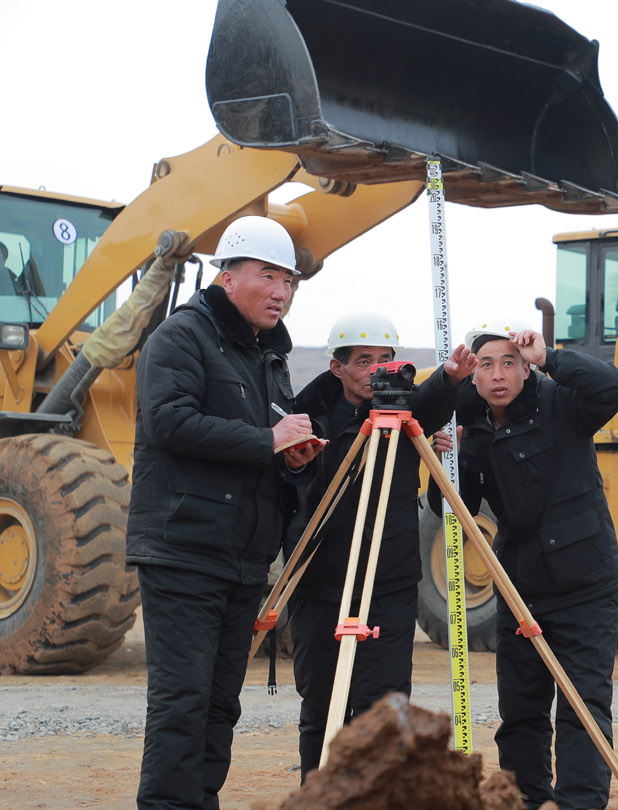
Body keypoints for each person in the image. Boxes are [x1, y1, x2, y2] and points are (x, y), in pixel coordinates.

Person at [126, 215, 324, 810]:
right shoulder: (179, 338)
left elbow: (266, 444)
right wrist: (268, 439)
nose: (281, 293)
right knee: (183, 699)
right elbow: (169, 422)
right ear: (229, 275)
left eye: (288, 281)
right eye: (268, 276)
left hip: (241, 558)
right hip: (183, 549)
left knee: (218, 702)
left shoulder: (267, 357)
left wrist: (294, 461)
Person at [286, 313, 472, 779]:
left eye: (385, 360)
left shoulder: (406, 417)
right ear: (337, 367)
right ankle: (319, 795)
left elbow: (429, 401)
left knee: (386, 710)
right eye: (363, 361)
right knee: (323, 706)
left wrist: (449, 380)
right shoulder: (305, 417)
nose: (377, 370)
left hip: (387, 583)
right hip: (322, 582)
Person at [455, 319, 618, 810]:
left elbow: (613, 387)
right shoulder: (468, 427)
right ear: (473, 375)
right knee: (521, 713)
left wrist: (548, 355)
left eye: (509, 362)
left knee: (583, 708)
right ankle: (526, 801)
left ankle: (579, 804)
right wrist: (450, 459)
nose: (498, 374)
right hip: (520, 589)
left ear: (524, 370)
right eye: (486, 365)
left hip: (585, 584)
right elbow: (454, 507)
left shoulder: (561, 402)